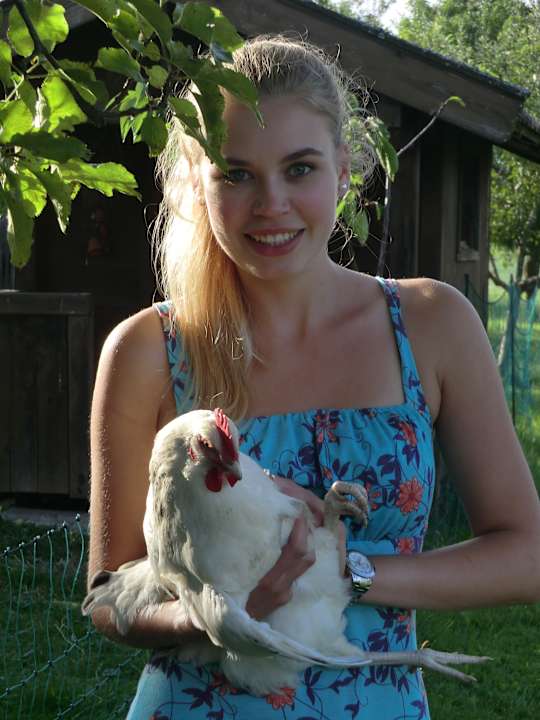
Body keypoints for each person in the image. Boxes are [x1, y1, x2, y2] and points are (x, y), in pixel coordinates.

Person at [87, 35, 540, 720]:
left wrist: (344, 569)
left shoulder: (431, 324)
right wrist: (218, 614)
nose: (271, 204)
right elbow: (107, 595)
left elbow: (526, 556)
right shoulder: (147, 350)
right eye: (236, 175)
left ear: (344, 170)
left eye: (299, 168)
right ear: (196, 184)